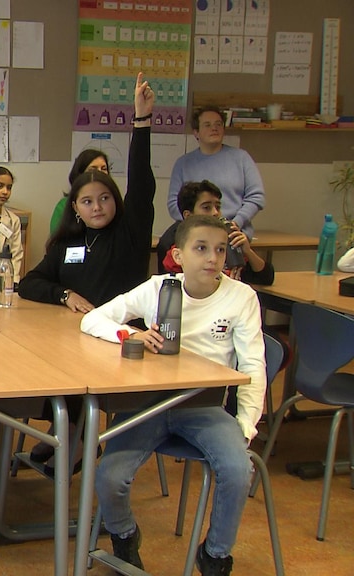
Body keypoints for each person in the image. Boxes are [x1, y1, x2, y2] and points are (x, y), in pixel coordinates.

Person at [81, 214, 266, 575]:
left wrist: (246, 425)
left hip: (205, 405)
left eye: (220, 250)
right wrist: (128, 335)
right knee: (110, 475)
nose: (212, 258)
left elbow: (253, 366)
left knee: (237, 470)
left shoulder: (242, 297)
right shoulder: (158, 288)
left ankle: (215, 555)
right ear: (179, 256)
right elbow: (92, 320)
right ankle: (124, 536)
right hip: (149, 402)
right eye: (201, 249)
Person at [17, 72, 155, 471]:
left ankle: (76, 445)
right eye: (87, 201)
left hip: (119, 342)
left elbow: (143, 186)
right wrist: (65, 295)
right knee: (42, 371)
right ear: (74, 206)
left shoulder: (129, 235)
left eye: (105, 198)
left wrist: (141, 122)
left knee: (77, 381)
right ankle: (68, 438)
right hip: (75, 340)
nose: (97, 207)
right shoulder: (67, 242)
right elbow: (30, 283)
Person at [168, 107, 266, 240]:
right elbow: (173, 204)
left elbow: (256, 197)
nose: (214, 128)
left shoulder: (241, 158)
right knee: (167, 244)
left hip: (234, 230)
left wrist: (236, 222)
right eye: (207, 125)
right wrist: (199, 224)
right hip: (194, 230)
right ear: (196, 132)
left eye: (218, 124)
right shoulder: (183, 163)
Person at [157, 180, 274, 285]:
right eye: (207, 208)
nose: (215, 213)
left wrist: (248, 252)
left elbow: (265, 278)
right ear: (188, 215)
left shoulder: (228, 238)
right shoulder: (176, 246)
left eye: (218, 207)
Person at [50, 150, 110, 234]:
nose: (99, 173)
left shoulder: (112, 202)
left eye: (104, 169)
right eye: (93, 169)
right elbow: (56, 240)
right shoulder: (64, 206)